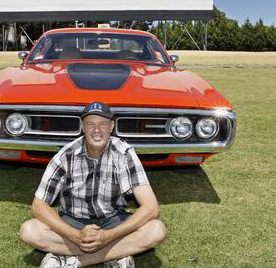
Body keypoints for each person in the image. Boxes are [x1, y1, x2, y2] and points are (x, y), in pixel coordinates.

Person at [19, 102, 166, 268]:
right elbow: (38, 206)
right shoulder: (66, 155)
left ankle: (72, 260)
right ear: (82, 127)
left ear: (111, 126)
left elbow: (151, 207)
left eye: (103, 124)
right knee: (29, 231)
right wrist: (75, 235)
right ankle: (117, 254)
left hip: (113, 221)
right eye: (90, 124)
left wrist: (109, 236)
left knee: (156, 230)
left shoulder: (124, 153)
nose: (97, 130)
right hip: (72, 222)